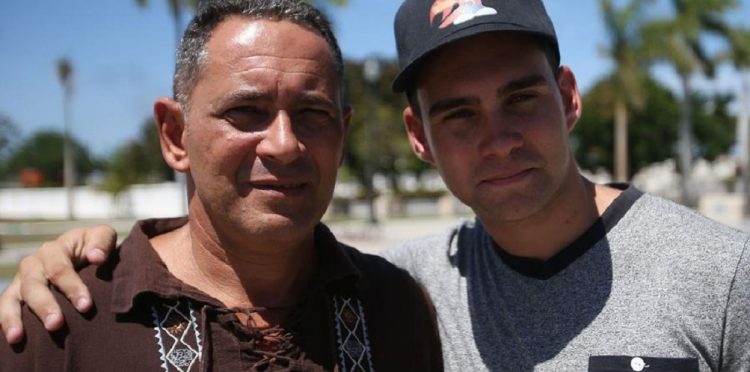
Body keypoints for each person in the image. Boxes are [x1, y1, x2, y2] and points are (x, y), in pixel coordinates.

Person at [2, 0, 749, 370]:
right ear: (418, 137)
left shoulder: (722, 275)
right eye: (458, 114)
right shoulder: (419, 286)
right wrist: (75, 258)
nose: (497, 137)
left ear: (569, 98)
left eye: (521, 98)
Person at [0, 1, 442, 371]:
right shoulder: (61, 320)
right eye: (246, 111)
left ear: (342, 137)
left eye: (312, 113)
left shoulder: (396, 308)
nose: (285, 145)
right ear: (175, 135)